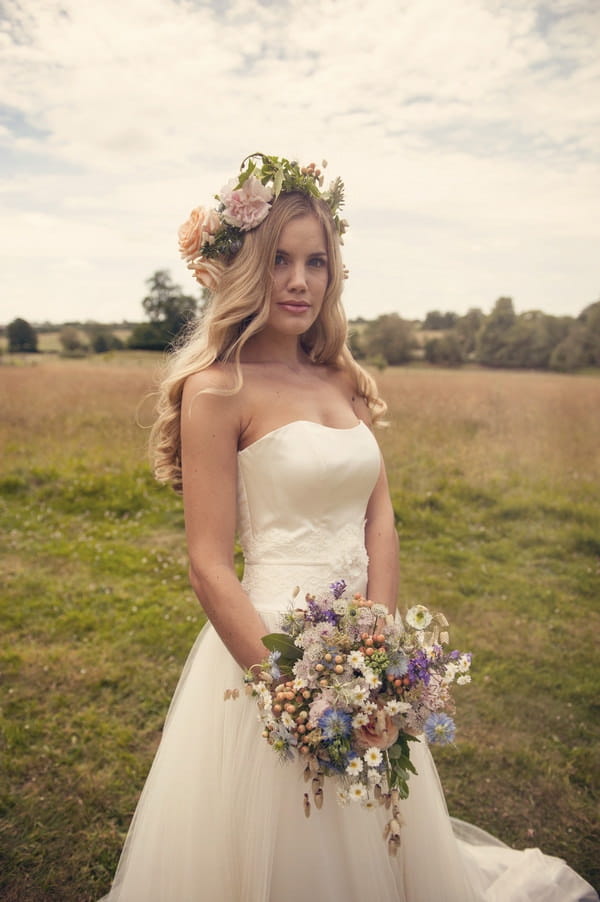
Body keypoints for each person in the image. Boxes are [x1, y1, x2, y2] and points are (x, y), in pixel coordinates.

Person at [101, 154, 597, 901]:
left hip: (360, 646)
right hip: (266, 651)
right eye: (280, 262)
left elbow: (380, 515)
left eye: (317, 262)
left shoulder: (341, 378)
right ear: (245, 271)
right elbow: (209, 565)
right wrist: (292, 695)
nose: (300, 281)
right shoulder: (217, 390)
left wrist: (378, 646)